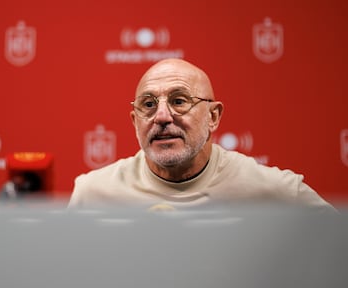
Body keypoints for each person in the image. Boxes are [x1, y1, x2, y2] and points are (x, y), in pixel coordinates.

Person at [69, 58, 332, 210]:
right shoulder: (93, 193)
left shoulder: (274, 191)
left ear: (213, 117)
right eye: (148, 104)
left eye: (179, 101)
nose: (161, 116)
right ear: (134, 120)